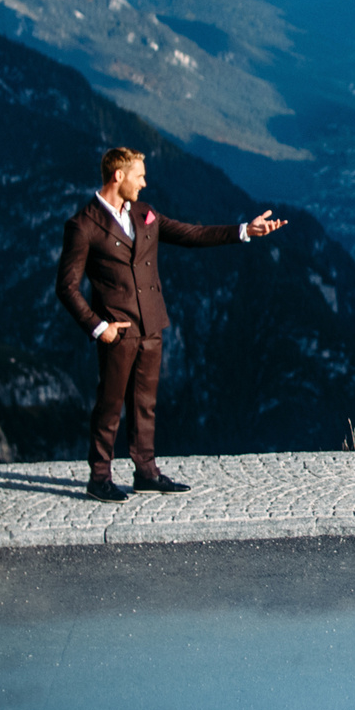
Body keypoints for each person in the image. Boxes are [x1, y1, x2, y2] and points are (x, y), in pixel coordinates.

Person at [56, 147, 285, 503]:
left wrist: (245, 231)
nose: (145, 183)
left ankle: (145, 472)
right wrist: (100, 327)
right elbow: (66, 287)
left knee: (145, 404)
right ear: (119, 176)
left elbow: (191, 235)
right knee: (110, 404)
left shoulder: (145, 214)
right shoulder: (83, 226)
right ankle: (99, 476)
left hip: (152, 327)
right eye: (140, 176)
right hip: (117, 333)